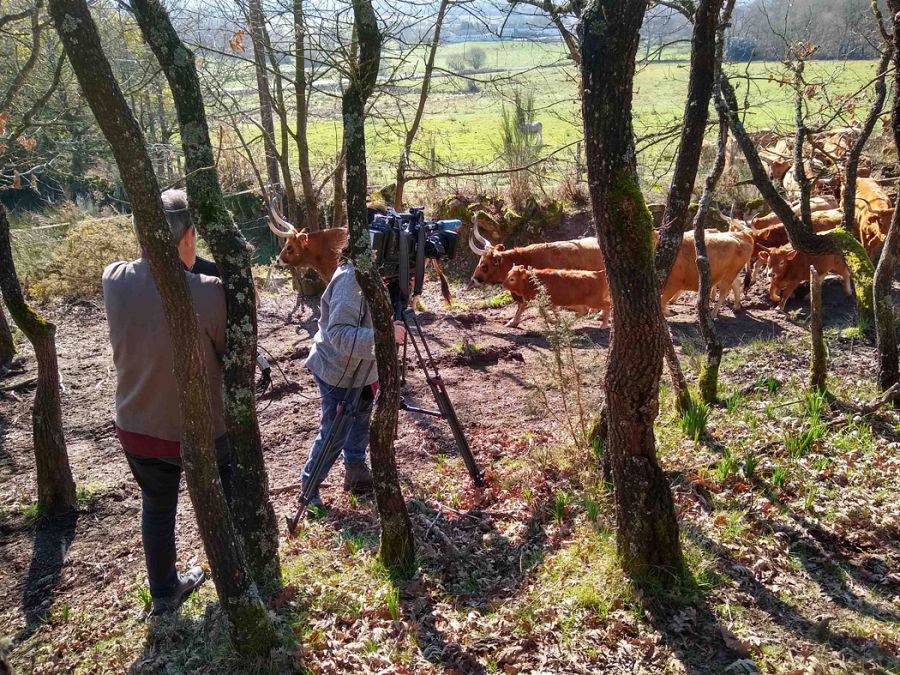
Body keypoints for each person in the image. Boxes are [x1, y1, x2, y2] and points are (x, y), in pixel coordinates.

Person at [102, 189, 230, 615]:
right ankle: (234, 577)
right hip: (195, 432)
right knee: (222, 496)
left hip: (136, 428)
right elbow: (226, 350)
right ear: (189, 235)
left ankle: (163, 595)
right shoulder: (209, 292)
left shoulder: (113, 279)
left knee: (157, 507)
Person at [301, 255, 406, 509]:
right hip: (337, 369)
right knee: (336, 430)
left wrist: (401, 288)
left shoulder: (380, 272)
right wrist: (384, 335)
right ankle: (309, 490)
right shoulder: (350, 277)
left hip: (365, 367)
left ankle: (356, 471)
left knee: (360, 418)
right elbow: (337, 333)